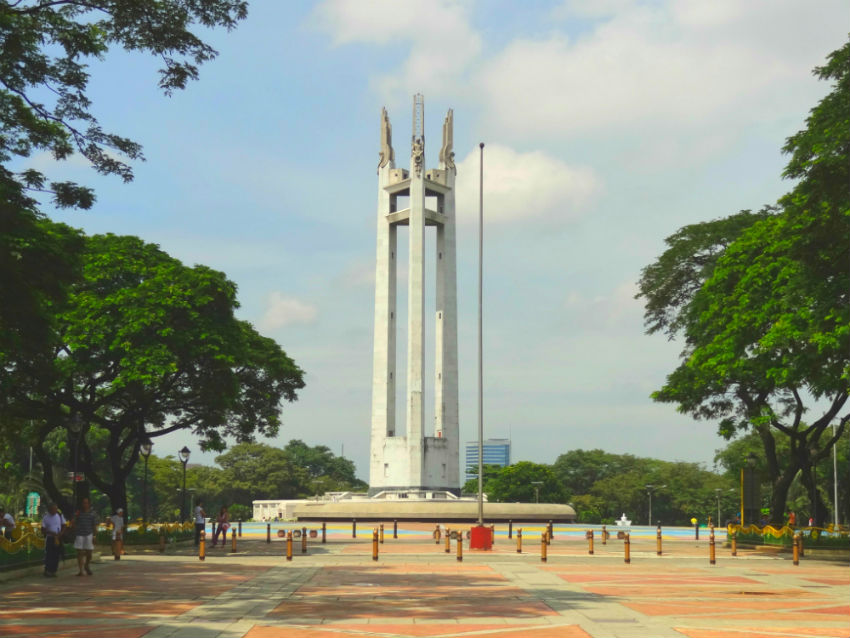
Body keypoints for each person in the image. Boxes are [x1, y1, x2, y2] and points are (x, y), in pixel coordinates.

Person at [73, 498, 97, 576]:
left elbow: (94, 525)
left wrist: (94, 536)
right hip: (79, 534)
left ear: (89, 504)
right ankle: (81, 570)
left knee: (89, 553)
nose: (85, 504)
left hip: (89, 534)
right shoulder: (78, 513)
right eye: (83, 503)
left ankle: (86, 565)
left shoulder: (92, 513)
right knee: (79, 553)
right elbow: (73, 522)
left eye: (86, 503)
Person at [41, 503, 65, 577]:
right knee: (49, 554)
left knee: (56, 555)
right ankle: (47, 570)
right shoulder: (46, 517)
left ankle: (54, 570)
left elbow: (64, 525)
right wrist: (51, 532)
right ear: (49, 509)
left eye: (55, 509)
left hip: (58, 537)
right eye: (53, 509)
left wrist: (61, 533)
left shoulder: (60, 515)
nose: (54, 510)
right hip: (50, 537)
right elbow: (43, 530)